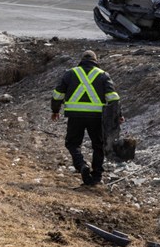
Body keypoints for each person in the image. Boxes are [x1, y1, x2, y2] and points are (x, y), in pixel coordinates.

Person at [50, 50, 122, 187]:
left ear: (81, 60)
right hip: (96, 117)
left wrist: (55, 110)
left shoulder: (70, 73)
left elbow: (58, 94)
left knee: (72, 144)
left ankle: (81, 165)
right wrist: (118, 116)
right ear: (96, 60)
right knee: (98, 145)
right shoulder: (103, 75)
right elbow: (113, 98)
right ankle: (96, 176)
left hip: (75, 115)